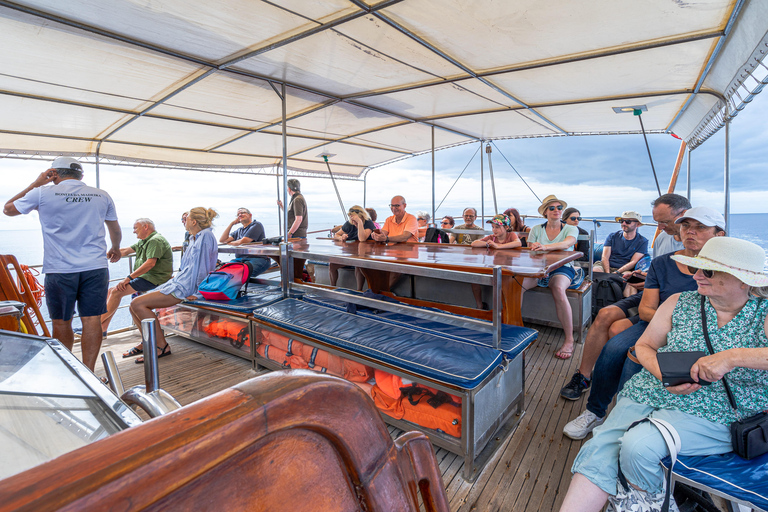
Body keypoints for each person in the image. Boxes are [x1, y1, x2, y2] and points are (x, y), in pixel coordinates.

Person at [559, 236, 768, 512]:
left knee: (638, 446)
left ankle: (645, 502)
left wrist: (732, 357)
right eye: (695, 268)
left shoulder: (762, 314)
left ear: (744, 280)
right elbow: (644, 346)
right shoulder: (679, 302)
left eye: (707, 270)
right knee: (600, 449)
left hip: (719, 409)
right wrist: (661, 374)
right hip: (652, 390)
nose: (696, 275)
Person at [562, 206, 725, 440]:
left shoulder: (727, 270)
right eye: (687, 225)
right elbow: (646, 309)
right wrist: (668, 324)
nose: (691, 231)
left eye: (700, 227)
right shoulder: (662, 263)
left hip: (702, 335)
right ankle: (595, 411)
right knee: (613, 348)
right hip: (656, 324)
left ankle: (626, 420)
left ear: (719, 235)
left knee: (634, 358)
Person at [558, 194, 692, 407]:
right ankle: (583, 376)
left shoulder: (695, 252)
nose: (659, 226)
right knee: (604, 314)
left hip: (663, 304)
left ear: (684, 216)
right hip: (652, 294)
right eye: (657, 221)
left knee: (617, 329)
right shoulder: (662, 238)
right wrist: (646, 280)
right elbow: (660, 274)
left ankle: (616, 390)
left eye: (664, 221)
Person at [3, 157, 121, 371]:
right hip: (95, 267)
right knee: (92, 319)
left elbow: (8, 209)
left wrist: (36, 184)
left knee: (61, 322)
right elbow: (115, 229)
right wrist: (115, 247)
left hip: (60, 270)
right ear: (81, 176)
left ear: (53, 173)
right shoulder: (102, 195)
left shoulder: (42, 193)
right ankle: (89, 372)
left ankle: (66, 372)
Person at [124, 208, 219, 364]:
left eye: (186, 218)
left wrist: (199, 293)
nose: (184, 221)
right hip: (180, 282)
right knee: (133, 305)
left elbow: (204, 268)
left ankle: (161, 347)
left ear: (194, 221)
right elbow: (190, 267)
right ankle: (148, 343)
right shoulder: (195, 237)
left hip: (186, 287)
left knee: (138, 303)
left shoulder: (206, 237)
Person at [522, 195, 582, 359]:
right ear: (545, 213)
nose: (557, 210)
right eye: (552, 208)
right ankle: (516, 328)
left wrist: (544, 247)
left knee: (557, 287)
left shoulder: (570, 228)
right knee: (515, 287)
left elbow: (567, 244)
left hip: (562, 267)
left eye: (559, 208)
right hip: (539, 268)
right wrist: (536, 251)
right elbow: (530, 251)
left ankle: (569, 339)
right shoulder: (536, 230)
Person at [100, 218, 173, 336]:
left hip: (154, 278)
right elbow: (125, 251)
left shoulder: (155, 240)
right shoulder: (144, 241)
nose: (133, 231)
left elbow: (150, 264)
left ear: (146, 227)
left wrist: (128, 278)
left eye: (135, 228)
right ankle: (102, 329)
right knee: (111, 291)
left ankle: (94, 326)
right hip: (146, 277)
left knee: (116, 292)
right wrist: (104, 255)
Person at [470, 214, 521, 309]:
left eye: (497, 227)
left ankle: (504, 309)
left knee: (504, 283)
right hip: (493, 268)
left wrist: (498, 246)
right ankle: (479, 305)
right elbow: (474, 243)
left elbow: (518, 243)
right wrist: (487, 243)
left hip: (506, 270)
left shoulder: (511, 235)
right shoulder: (492, 237)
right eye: (493, 227)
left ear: (506, 227)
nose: (494, 230)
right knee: (474, 278)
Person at [370, 196, 419, 289]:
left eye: (397, 205)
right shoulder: (389, 219)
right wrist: (376, 235)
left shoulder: (411, 218)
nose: (394, 208)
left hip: (408, 253)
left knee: (395, 268)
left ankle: (380, 292)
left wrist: (386, 239)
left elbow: (405, 236)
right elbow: (383, 233)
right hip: (392, 252)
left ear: (404, 205)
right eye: (392, 206)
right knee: (371, 265)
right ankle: (376, 292)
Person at [330, 205, 376, 289]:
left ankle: (359, 290)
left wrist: (359, 223)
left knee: (358, 264)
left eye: (355, 220)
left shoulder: (368, 223)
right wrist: (341, 237)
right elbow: (336, 234)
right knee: (332, 264)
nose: (353, 222)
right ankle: (332, 288)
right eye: (352, 220)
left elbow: (362, 239)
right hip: (351, 253)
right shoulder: (349, 224)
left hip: (364, 254)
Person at [219, 207, 271, 277]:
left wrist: (229, 243)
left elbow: (244, 241)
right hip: (240, 259)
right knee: (224, 272)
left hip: (257, 258)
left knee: (239, 274)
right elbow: (222, 240)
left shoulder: (256, 225)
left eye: (242, 212)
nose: (240, 215)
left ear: (250, 215)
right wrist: (231, 224)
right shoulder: (239, 230)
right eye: (238, 214)